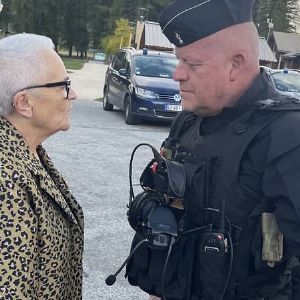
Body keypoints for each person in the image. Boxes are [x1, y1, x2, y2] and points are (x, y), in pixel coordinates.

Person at [125, 0, 300, 299]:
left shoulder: (287, 134)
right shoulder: (186, 123)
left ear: (236, 64)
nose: (177, 74)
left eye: (191, 64)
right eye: (179, 61)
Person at [0, 33, 84, 299]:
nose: (73, 95)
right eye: (63, 85)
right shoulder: (6, 179)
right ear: (24, 102)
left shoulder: (29, 151)